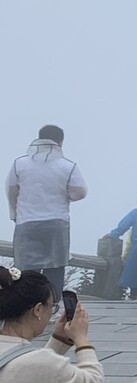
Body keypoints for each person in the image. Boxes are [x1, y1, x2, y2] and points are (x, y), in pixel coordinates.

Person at [5, 126, 88, 300]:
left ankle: (26, 306)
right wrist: (66, 196)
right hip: (56, 222)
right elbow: (80, 192)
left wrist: (14, 213)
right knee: (55, 266)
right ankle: (52, 307)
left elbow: (12, 190)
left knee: (26, 268)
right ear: (61, 141)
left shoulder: (19, 163)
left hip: (26, 221)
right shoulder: (68, 166)